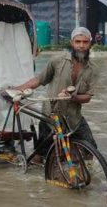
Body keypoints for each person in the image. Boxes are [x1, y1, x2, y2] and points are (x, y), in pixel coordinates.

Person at [14, 26, 98, 162]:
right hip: (51, 115)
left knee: (90, 152)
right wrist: (18, 89)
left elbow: (88, 97)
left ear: (90, 43)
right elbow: (39, 80)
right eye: (78, 42)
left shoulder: (93, 69)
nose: (81, 46)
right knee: (41, 157)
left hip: (74, 117)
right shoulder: (57, 61)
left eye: (85, 42)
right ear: (72, 43)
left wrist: (74, 97)